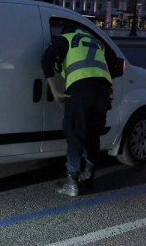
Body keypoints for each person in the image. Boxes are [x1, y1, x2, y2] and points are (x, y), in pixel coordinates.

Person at [41, 22, 113, 197]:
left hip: (81, 90)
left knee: (75, 133)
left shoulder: (64, 39)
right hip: (103, 91)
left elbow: (45, 61)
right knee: (92, 133)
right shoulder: (95, 42)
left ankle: (72, 182)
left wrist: (55, 91)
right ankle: (88, 175)